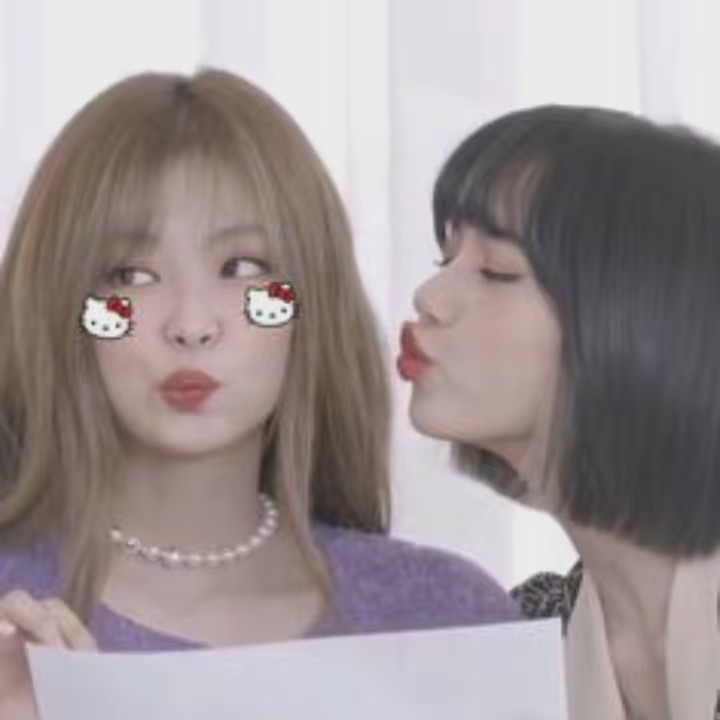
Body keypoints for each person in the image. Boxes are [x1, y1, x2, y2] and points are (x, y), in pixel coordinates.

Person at [0, 69, 519, 718]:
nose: (192, 324)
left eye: (243, 268)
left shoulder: (448, 620)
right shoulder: (13, 629)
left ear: (311, 300)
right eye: (129, 276)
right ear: (60, 305)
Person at [399, 105, 720, 720]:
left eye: (496, 271)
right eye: (446, 260)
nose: (429, 297)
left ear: (637, 318)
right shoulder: (524, 634)